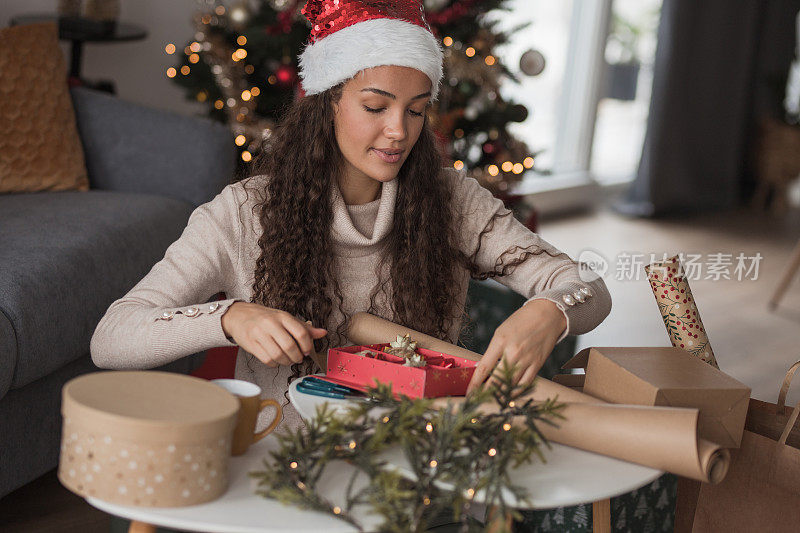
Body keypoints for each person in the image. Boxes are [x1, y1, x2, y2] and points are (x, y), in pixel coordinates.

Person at [90, 0, 612, 432]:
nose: (399, 132)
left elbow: (585, 284)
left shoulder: (452, 202)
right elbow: (113, 337)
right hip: (289, 467)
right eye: (375, 106)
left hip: (421, 454)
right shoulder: (241, 214)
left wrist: (550, 312)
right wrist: (228, 317)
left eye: (415, 109)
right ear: (329, 102)